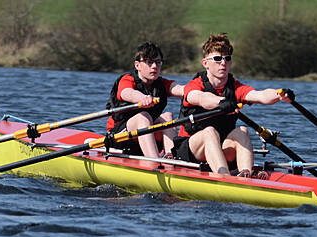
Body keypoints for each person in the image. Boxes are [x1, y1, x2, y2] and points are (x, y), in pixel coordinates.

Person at [171, 33, 294, 177]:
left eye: (227, 58)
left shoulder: (234, 87)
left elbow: (259, 95)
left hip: (220, 148)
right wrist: (220, 102)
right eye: (217, 59)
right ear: (205, 63)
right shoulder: (196, 85)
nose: (223, 63)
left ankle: (245, 174)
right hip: (190, 152)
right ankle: (224, 176)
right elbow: (198, 98)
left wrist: (279, 94)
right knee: (209, 132)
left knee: (242, 130)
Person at [106, 41, 184, 158]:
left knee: (167, 116)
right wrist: (142, 98)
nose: (154, 66)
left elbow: (183, 90)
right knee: (143, 116)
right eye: (149, 62)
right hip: (119, 137)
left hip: (144, 135)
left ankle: (171, 157)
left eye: (158, 62)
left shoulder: (162, 84)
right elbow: (126, 93)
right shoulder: (127, 79)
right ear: (137, 65)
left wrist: (206, 94)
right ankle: (154, 161)